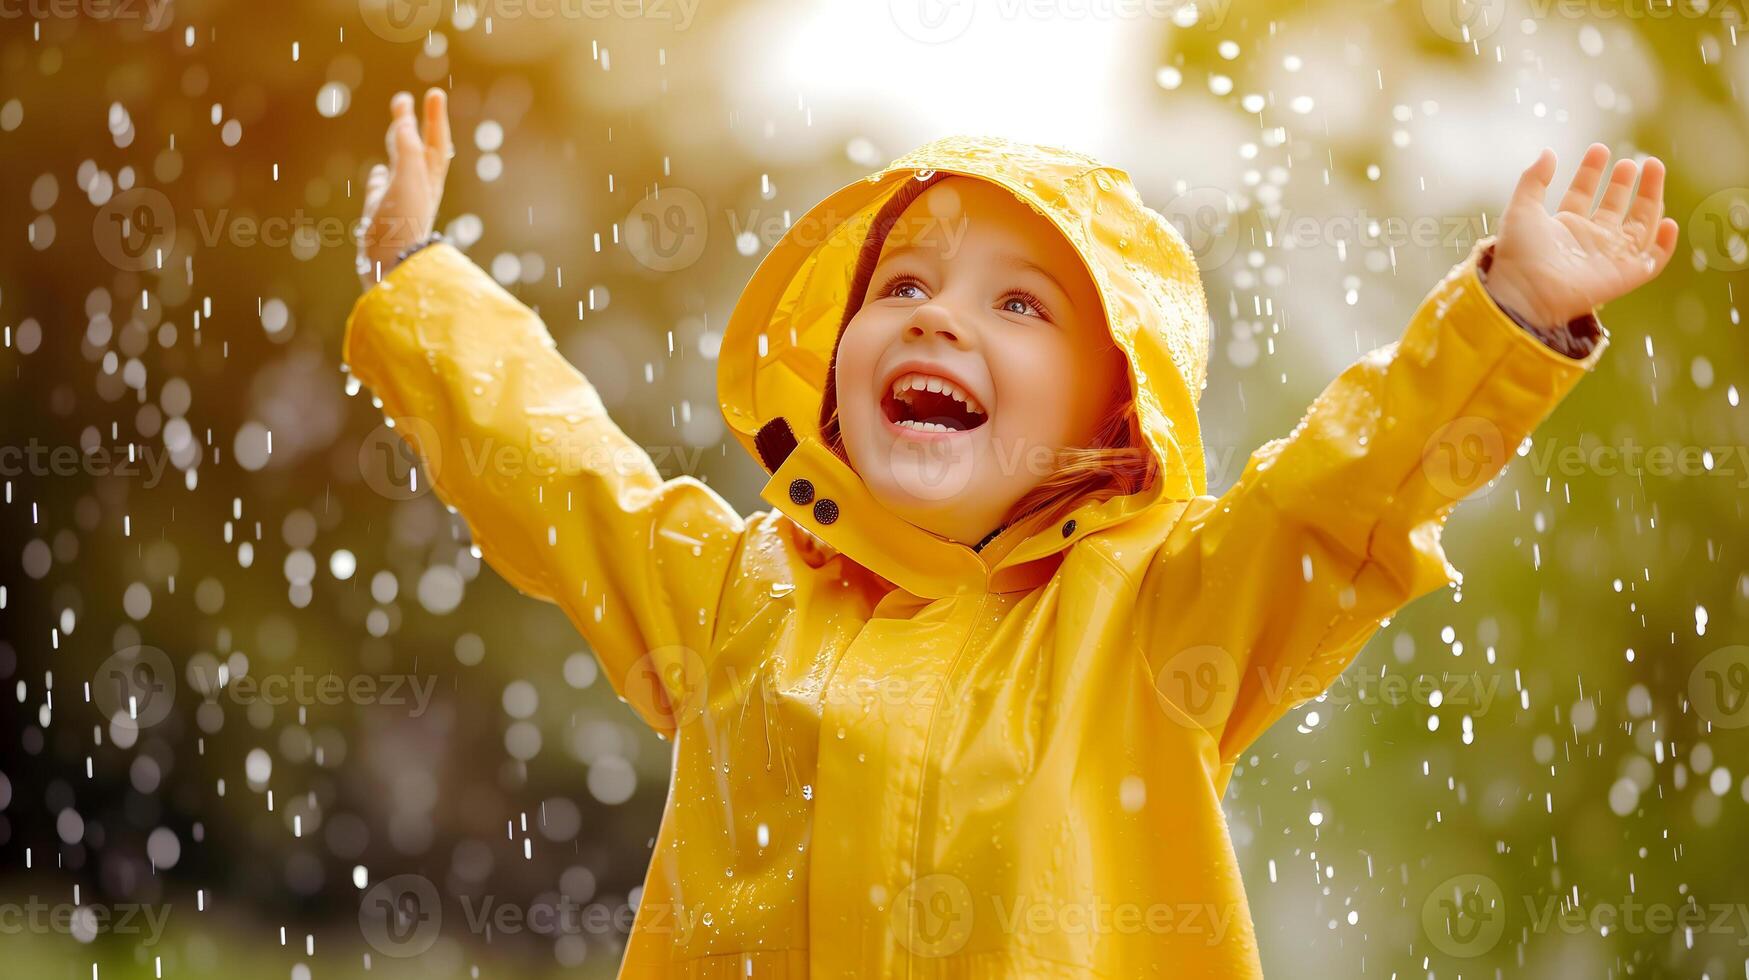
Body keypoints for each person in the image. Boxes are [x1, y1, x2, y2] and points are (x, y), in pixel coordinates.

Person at [347, 88, 1677, 976]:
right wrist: (420, 289)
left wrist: (1506, 316)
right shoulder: (732, 597)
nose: (937, 318)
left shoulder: (1160, 616)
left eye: (1021, 307)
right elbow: (561, 473)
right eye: (905, 282)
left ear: (1114, 427)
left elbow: (1348, 488)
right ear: (832, 370)